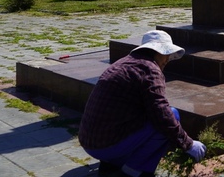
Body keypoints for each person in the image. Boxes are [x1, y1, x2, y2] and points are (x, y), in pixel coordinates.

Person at [79, 30, 206, 177]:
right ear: (157, 51)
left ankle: (110, 164)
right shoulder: (149, 70)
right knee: (172, 115)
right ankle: (134, 171)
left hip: (90, 142)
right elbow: (162, 114)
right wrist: (188, 144)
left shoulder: (123, 62)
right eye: (167, 55)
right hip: (107, 146)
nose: (167, 60)